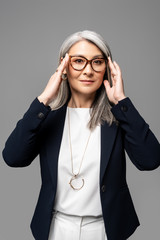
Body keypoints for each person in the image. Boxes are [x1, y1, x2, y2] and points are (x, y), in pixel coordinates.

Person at [2, 30, 160, 240]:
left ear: (106, 68)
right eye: (79, 61)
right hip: (56, 228)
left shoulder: (118, 118)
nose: (88, 70)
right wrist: (44, 99)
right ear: (64, 66)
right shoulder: (47, 117)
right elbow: (13, 157)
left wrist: (121, 102)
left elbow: (150, 160)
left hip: (105, 229)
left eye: (97, 62)